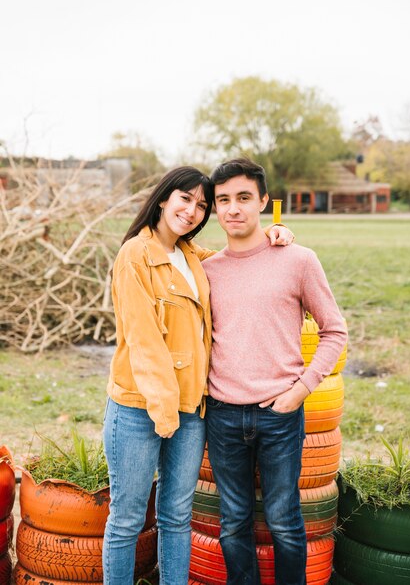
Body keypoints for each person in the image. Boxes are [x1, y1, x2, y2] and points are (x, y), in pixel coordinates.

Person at [102, 166, 294, 585]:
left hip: (192, 410)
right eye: (185, 199)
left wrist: (277, 234)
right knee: (128, 518)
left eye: (201, 205)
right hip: (140, 408)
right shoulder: (135, 254)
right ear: (164, 198)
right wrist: (164, 413)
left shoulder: (191, 256)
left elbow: (241, 259)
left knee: (176, 516)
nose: (192, 211)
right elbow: (143, 339)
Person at [203, 157, 348, 585]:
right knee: (233, 523)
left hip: (280, 414)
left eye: (244, 197)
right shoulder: (206, 269)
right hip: (223, 414)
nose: (233, 209)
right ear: (214, 207)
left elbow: (335, 330)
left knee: (284, 521)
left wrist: (301, 389)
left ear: (264, 201)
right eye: (223, 200)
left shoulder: (298, 259)